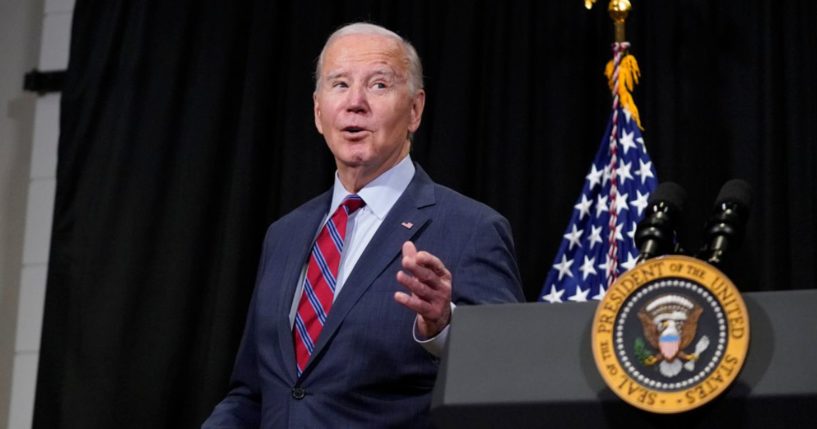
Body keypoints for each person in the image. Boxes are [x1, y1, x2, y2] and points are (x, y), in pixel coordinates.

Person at [203, 22, 524, 428]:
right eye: (339, 84)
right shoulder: (284, 234)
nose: (355, 103)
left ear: (415, 110)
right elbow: (254, 392)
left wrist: (445, 328)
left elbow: (509, 381)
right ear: (319, 112)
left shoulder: (470, 228)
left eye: (378, 85)